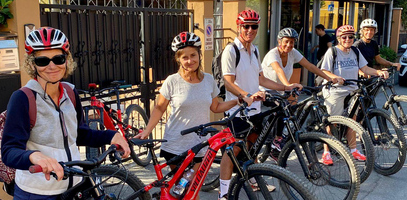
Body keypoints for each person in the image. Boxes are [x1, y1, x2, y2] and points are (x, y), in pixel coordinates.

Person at [1, 27, 130, 199]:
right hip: (38, 192)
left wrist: (111, 136)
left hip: (74, 187)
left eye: (58, 58)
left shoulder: (70, 92)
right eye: (42, 61)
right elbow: (9, 151)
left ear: (66, 61)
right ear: (32, 64)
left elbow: (80, 135)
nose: (52, 66)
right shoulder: (23, 98)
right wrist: (34, 156)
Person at [135, 32, 247, 177]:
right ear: (178, 60)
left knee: (192, 189)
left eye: (193, 55)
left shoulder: (208, 80)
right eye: (185, 57)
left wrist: (237, 100)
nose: (190, 61)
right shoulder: (172, 81)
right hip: (176, 145)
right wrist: (147, 131)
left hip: (201, 145)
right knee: (185, 190)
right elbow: (159, 108)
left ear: (199, 55)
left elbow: (216, 107)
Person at [218, 10, 302, 200]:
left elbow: (261, 79)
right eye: (246, 26)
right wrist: (246, 95)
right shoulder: (231, 50)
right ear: (239, 27)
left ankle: (252, 179)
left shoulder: (254, 50)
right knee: (233, 152)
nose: (250, 30)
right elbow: (228, 81)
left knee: (252, 146)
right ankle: (223, 193)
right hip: (237, 110)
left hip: (255, 108)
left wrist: (286, 87)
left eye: (254, 26)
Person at [261, 28, 341, 152]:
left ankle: (278, 141)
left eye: (292, 42)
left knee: (287, 111)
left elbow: (309, 65)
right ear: (279, 41)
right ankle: (277, 140)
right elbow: (278, 70)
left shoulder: (293, 52)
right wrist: (288, 85)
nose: (289, 45)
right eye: (286, 41)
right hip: (266, 89)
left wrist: (328, 77)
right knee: (283, 107)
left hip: (282, 89)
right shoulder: (273, 54)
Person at [320, 25, 389, 165]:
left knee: (352, 120)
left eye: (350, 37)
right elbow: (324, 71)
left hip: (352, 89)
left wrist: (378, 72)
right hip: (335, 90)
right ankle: (326, 152)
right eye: (344, 37)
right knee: (332, 121)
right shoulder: (332, 52)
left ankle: (353, 150)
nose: (347, 39)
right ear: (338, 38)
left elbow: (364, 68)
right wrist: (335, 77)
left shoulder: (355, 51)